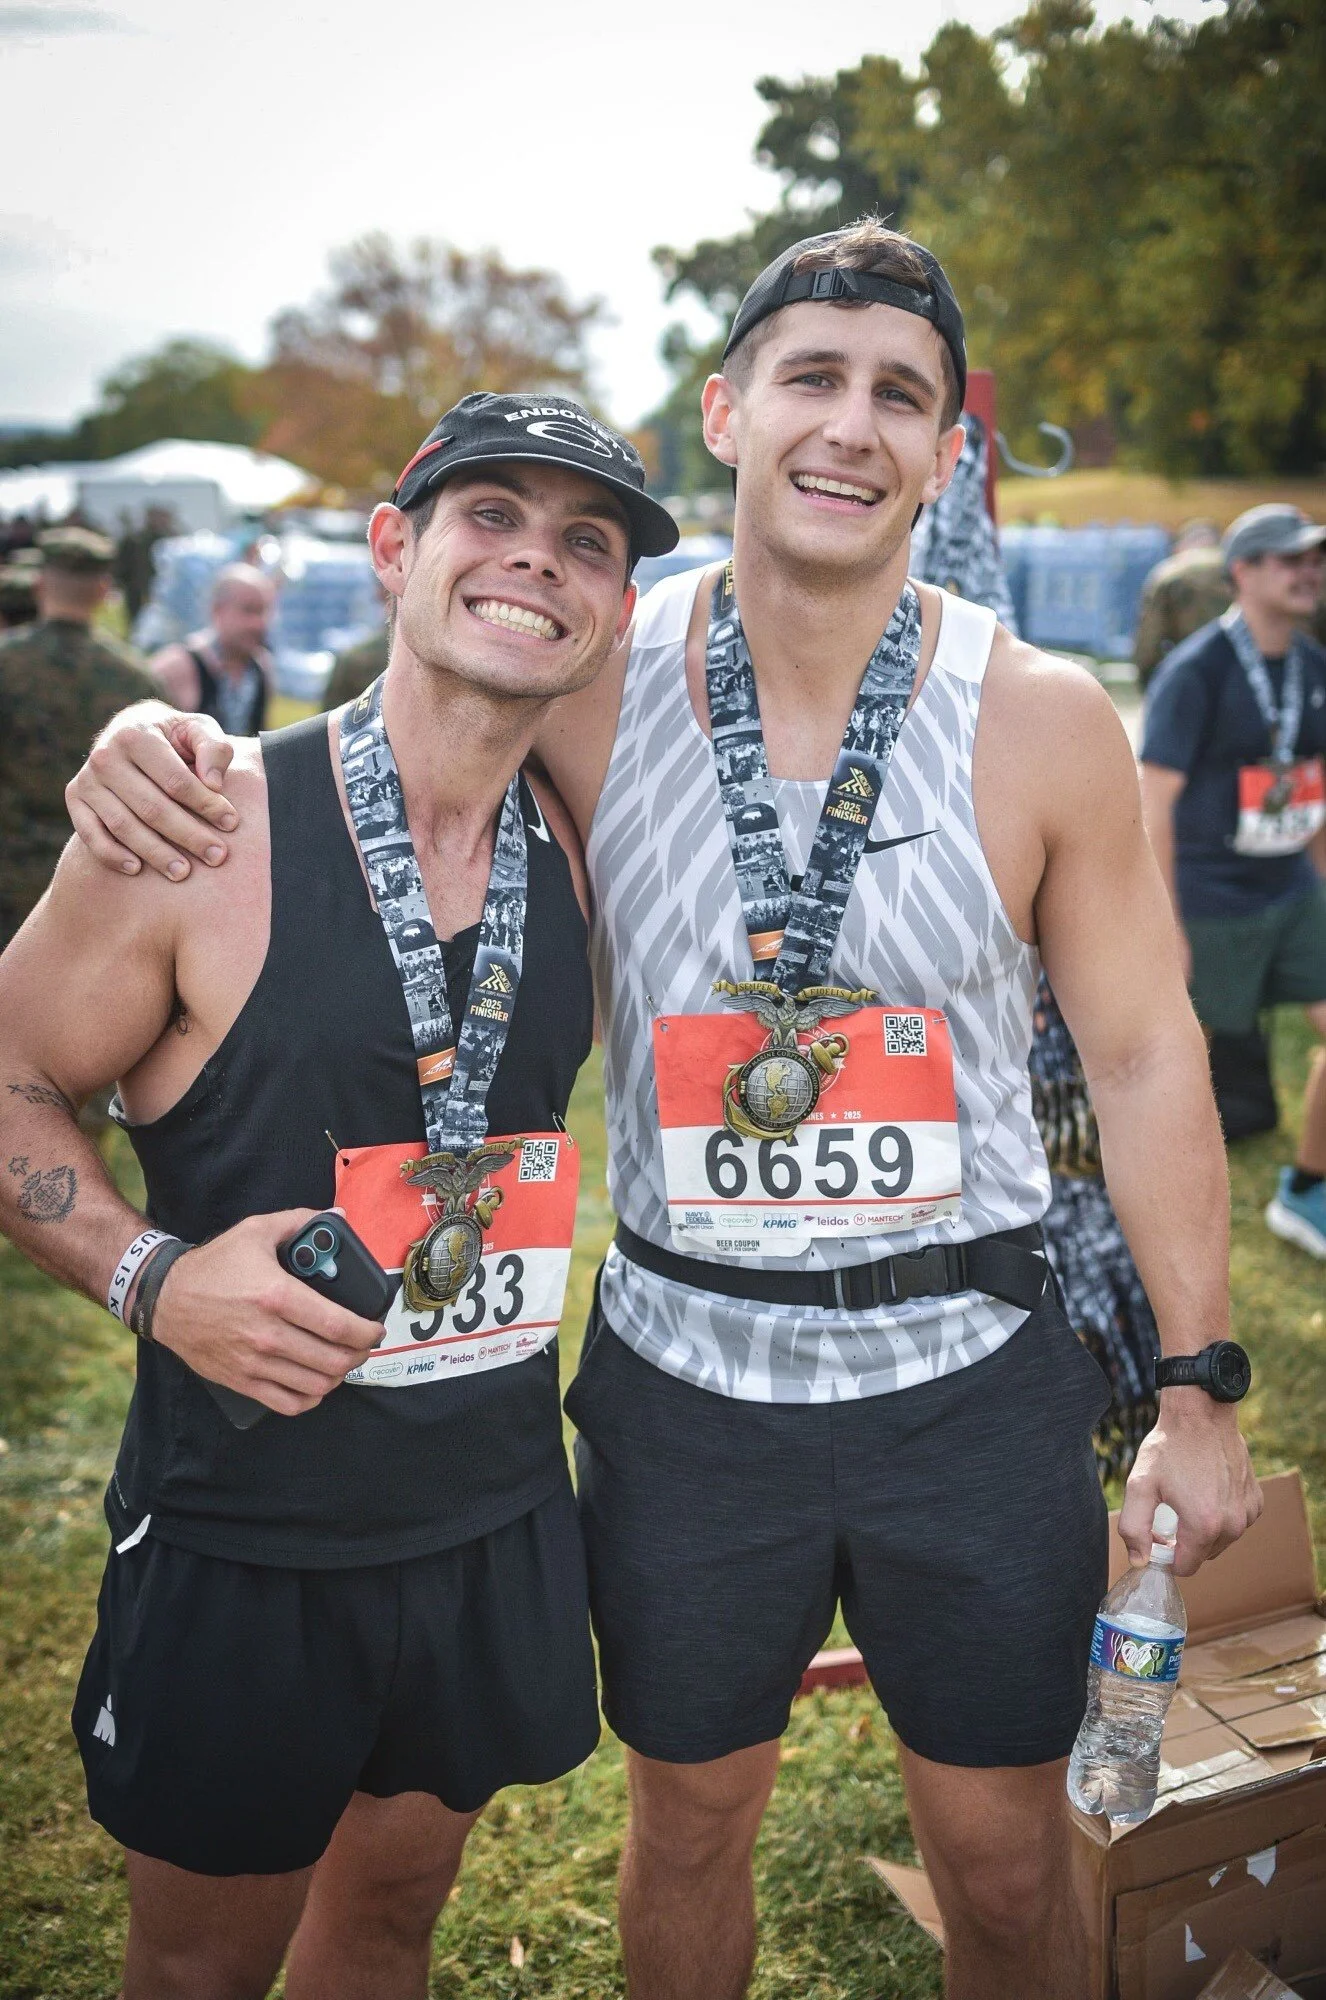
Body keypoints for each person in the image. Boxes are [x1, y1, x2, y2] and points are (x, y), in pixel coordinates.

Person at [66, 223, 1261, 2000]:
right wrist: (159, 745)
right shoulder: (596, 677)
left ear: (948, 451)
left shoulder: (1041, 717)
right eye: (811, 378)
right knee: (687, 1831)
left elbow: (1149, 1052)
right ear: (725, 411)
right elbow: (401, 724)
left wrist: (1197, 1385)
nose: (849, 426)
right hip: (690, 1389)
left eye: (899, 396)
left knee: (1009, 1866)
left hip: (969, 1377)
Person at [0, 393, 676, 2000]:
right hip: (251, 1531)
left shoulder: (584, 835)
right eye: (490, 517)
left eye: (584, 541)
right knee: (199, 1969)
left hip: (489, 1508)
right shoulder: (202, 823)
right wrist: (154, 1278)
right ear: (391, 548)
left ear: (616, 606)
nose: (535, 560)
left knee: (388, 1928)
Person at [1140, 503, 1326, 1259]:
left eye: (1314, 559)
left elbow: (1315, 783)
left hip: (1291, 889)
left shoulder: (1312, 664)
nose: (1308, 572)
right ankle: (1159, 1218)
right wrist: (1167, 927)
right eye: (1289, 559)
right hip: (1210, 897)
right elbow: (1153, 802)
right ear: (1242, 572)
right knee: (1182, 1067)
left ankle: (1306, 1189)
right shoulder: (1197, 671)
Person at [0, 526, 153, 948]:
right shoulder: (136, 679)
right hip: (99, 876)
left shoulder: (6, 663)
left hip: (9, 874)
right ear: (104, 591)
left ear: (38, 584)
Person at [151, 562, 276, 734]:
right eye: (248, 610)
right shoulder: (178, 665)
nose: (259, 624)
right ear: (217, 610)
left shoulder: (261, 668)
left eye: (263, 612)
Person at [1132, 520, 1230, 690]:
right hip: (1237, 674)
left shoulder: (1168, 571)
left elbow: (1150, 639)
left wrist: (1148, 682)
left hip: (1188, 677)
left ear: (1178, 547)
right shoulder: (1239, 569)